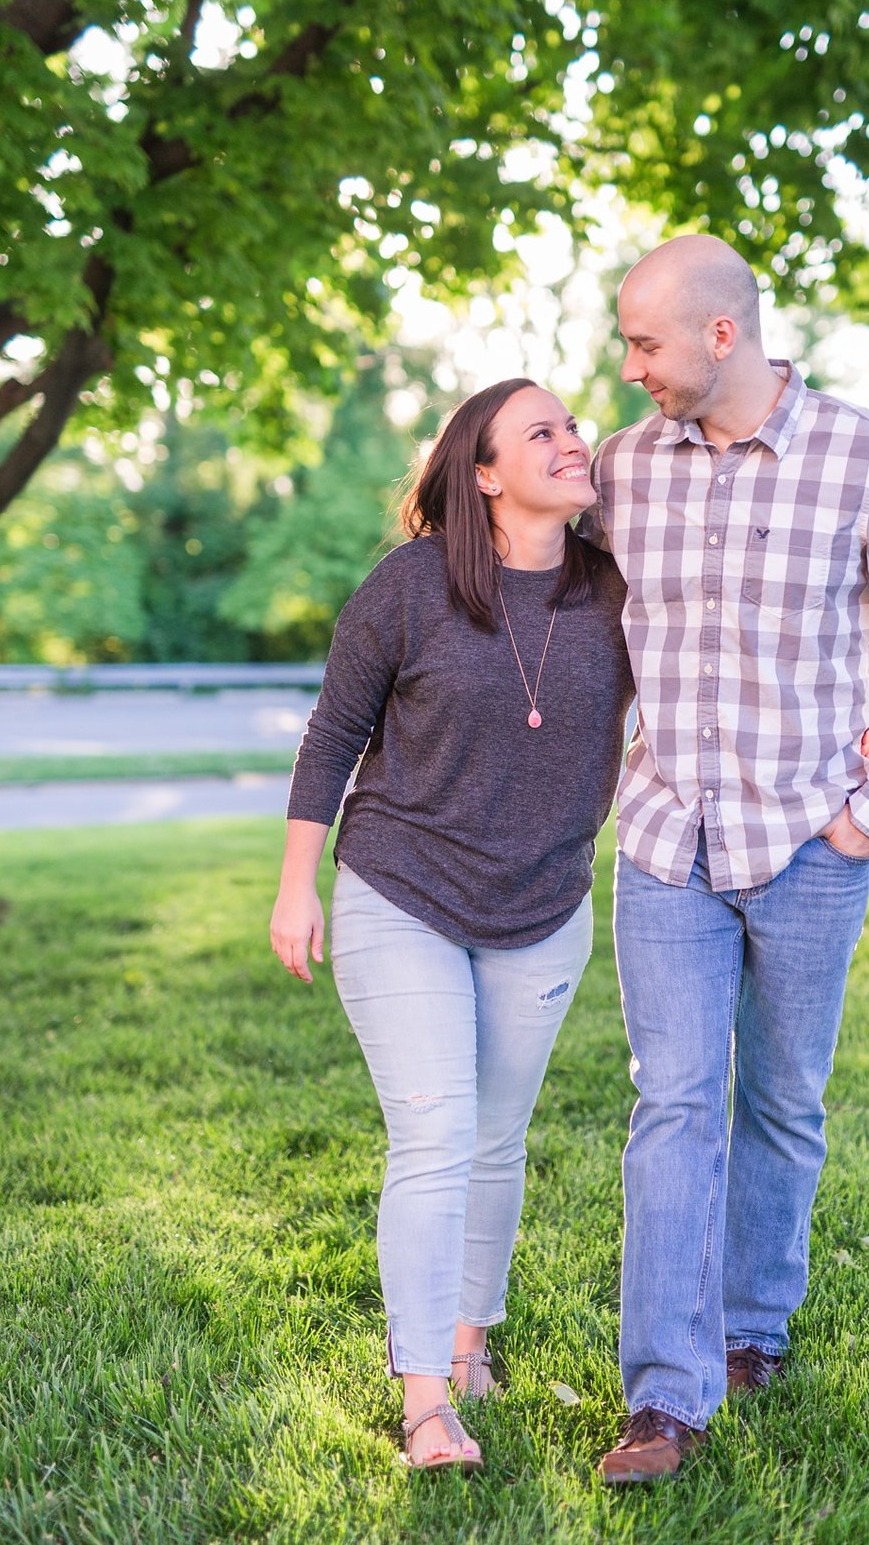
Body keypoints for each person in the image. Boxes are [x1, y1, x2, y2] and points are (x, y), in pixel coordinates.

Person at [586, 234, 869, 1486]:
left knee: (782, 1102)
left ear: (719, 333)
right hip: (661, 838)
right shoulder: (622, 469)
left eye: (645, 342)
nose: (629, 365)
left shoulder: (868, 456)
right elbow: (542, 569)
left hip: (809, 839)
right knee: (673, 1101)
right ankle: (665, 1392)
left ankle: (752, 1328)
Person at [272, 379, 635, 1471]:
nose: (574, 441)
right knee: (434, 1136)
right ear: (483, 473)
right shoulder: (411, 586)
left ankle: (473, 1343)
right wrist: (298, 884)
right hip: (401, 889)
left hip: (544, 903)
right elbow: (333, 732)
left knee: (494, 1138)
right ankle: (426, 1396)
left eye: (574, 426)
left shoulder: (617, 587)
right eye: (543, 431)